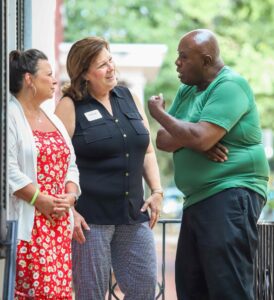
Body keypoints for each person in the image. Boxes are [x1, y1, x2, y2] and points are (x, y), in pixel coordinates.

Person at [148, 29, 270, 300]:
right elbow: (164, 139)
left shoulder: (230, 86)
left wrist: (160, 114)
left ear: (205, 60)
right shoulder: (187, 90)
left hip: (230, 193)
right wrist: (192, 137)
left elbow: (200, 137)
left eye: (183, 57)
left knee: (229, 288)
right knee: (192, 287)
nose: (177, 63)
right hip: (198, 199)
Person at [55, 36, 163, 300]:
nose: (111, 68)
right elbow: (54, 161)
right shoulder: (70, 106)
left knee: (145, 287)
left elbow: (147, 149)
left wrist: (157, 190)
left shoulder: (129, 97)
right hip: (90, 221)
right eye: (102, 65)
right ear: (84, 74)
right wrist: (70, 211)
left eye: (110, 60)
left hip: (133, 215)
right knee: (91, 293)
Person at [9, 49, 80, 299]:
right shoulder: (10, 116)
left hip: (58, 225)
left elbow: (71, 164)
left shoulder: (53, 118)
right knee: (37, 293)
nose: (54, 80)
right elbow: (8, 171)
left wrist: (70, 197)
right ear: (29, 79)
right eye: (48, 75)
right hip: (31, 225)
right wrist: (41, 200)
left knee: (59, 293)